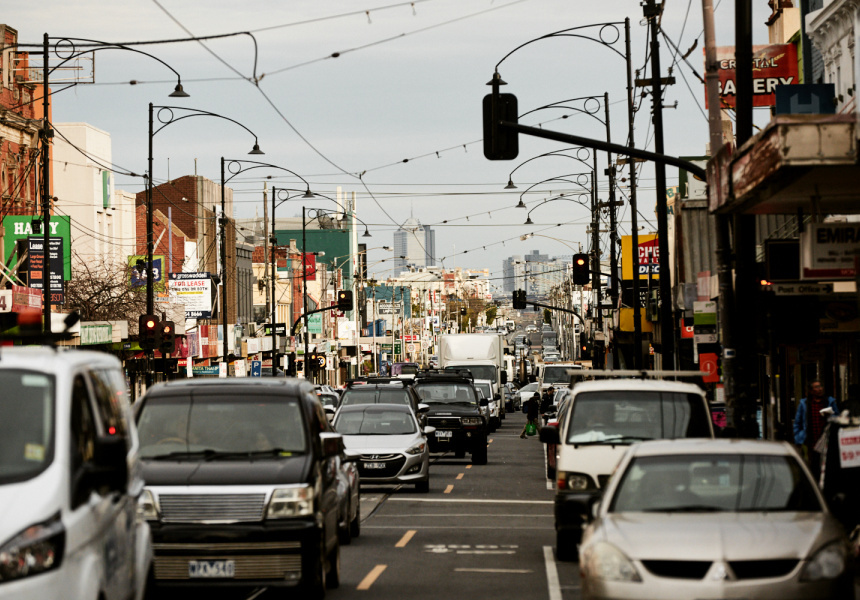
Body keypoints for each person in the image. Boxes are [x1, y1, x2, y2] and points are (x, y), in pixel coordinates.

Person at [794, 380, 838, 481]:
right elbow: (798, 422)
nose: (820, 389)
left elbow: (838, 417)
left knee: (826, 464)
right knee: (811, 465)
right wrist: (798, 439)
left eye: (821, 386)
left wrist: (830, 415)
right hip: (810, 440)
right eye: (817, 387)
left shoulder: (829, 402)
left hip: (826, 439)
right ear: (811, 390)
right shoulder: (804, 404)